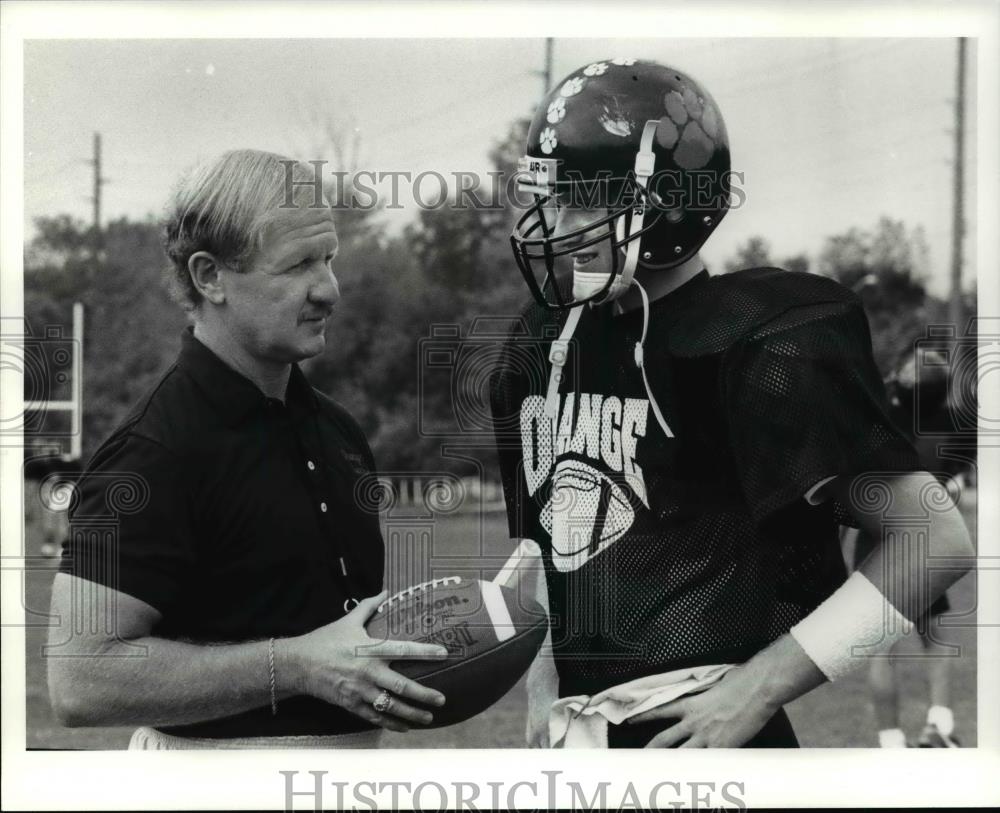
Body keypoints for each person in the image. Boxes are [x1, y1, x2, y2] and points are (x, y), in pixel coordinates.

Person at [489, 59, 975, 748]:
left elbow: (935, 539)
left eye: (581, 197)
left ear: (671, 203)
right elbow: (544, 546)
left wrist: (761, 684)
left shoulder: (757, 338)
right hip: (584, 746)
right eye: (552, 195)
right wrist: (542, 696)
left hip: (707, 738)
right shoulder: (545, 339)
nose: (555, 222)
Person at [47, 149, 447, 749]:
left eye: (329, 258)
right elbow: (80, 679)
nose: (329, 290)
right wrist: (298, 665)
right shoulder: (153, 450)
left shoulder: (336, 430)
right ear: (210, 277)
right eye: (297, 266)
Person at [849, 346, 972, 748]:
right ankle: (939, 726)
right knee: (935, 636)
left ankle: (891, 744)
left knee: (881, 649)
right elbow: (954, 486)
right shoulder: (953, 426)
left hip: (875, 541)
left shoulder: (876, 416)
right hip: (925, 539)